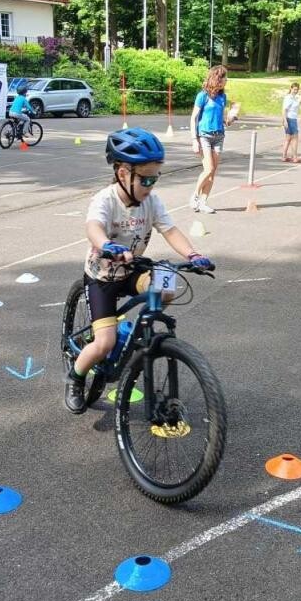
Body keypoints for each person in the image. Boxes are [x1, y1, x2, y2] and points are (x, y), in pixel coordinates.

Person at [65, 127, 213, 414]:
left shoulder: (151, 202)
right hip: (103, 277)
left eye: (155, 178)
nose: (151, 185)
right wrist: (107, 245)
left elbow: (170, 231)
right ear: (123, 174)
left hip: (133, 269)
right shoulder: (105, 200)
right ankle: (75, 377)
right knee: (103, 343)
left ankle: (139, 333)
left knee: (168, 283)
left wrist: (194, 254)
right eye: (145, 179)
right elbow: (93, 227)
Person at [189, 65, 230, 214]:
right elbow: (193, 118)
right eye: (225, 77)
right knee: (208, 169)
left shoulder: (223, 97)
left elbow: (223, 120)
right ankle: (194, 196)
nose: (226, 80)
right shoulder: (203, 95)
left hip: (219, 136)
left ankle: (203, 202)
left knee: (212, 173)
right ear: (217, 78)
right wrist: (194, 139)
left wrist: (230, 119)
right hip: (204, 136)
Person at [282, 82, 301, 162]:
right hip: (290, 119)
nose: (296, 91)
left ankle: (284, 156)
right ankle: (295, 157)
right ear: (291, 88)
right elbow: (284, 110)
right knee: (295, 138)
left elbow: (295, 107)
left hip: (292, 119)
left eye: (297, 89)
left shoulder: (294, 97)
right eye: (294, 89)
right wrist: (285, 120)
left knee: (288, 138)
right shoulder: (289, 97)